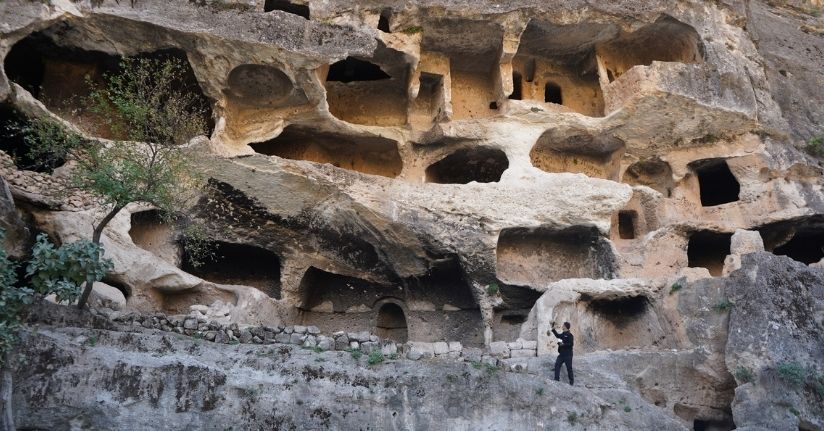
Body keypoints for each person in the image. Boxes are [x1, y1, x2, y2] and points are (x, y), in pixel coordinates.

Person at [547, 321, 574, 385]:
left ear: (565, 327)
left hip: (568, 355)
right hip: (561, 354)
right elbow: (557, 335)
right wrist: (553, 329)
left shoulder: (570, 335)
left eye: (563, 325)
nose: (562, 326)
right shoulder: (563, 334)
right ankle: (556, 379)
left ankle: (571, 382)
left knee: (569, 368)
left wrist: (563, 344)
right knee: (557, 365)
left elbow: (571, 344)